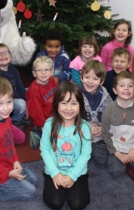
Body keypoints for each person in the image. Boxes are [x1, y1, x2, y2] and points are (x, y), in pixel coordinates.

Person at [40, 82, 92, 210]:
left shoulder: (84, 126)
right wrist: (54, 173)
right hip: (55, 170)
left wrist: (73, 176)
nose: (68, 108)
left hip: (77, 171)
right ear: (56, 104)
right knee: (55, 203)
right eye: (63, 103)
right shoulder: (49, 124)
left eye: (74, 103)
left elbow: (86, 154)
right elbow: (45, 150)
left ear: (80, 105)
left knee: (78, 204)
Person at [101, 71, 134, 179]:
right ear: (115, 90)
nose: (126, 88)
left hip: (133, 145)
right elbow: (106, 134)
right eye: (122, 85)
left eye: (130, 86)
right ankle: (116, 157)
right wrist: (117, 153)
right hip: (117, 146)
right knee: (117, 171)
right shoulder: (109, 110)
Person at [80, 60, 113, 165]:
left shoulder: (106, 97)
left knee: (102, 160)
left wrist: (103, 128)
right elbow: (70, 118)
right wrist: (88, 128)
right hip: (80, 133)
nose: (90, 82)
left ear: (101, 81)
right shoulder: (76, 96)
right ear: (81, 78)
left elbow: (112, 116)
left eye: (95, 79)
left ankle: (93, 147)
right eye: (87, 77)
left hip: (99, 134)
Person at [0, 43, 31, 129]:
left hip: (15, 95)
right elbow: (7, 95)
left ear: (11, 56)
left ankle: (20, 114)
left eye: (5, 52)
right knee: (21, 104)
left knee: (31, 90)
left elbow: (20, 87)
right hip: (5, 100)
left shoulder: (14, 69)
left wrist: (27, 102)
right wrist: (25, 104)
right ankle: (15, 120)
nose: (2, 55)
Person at [26, 56, 58, 150]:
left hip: (54, 114)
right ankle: (37, 135)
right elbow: (36, 112)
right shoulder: (35, 91)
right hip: (44, 119)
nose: (43, 73)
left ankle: (39, 132)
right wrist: (43, 125)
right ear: (34, 73)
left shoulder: (52, 80)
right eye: (39, 70)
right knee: (54, 141)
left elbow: (57, 95)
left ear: (51, 72)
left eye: (46, 70)